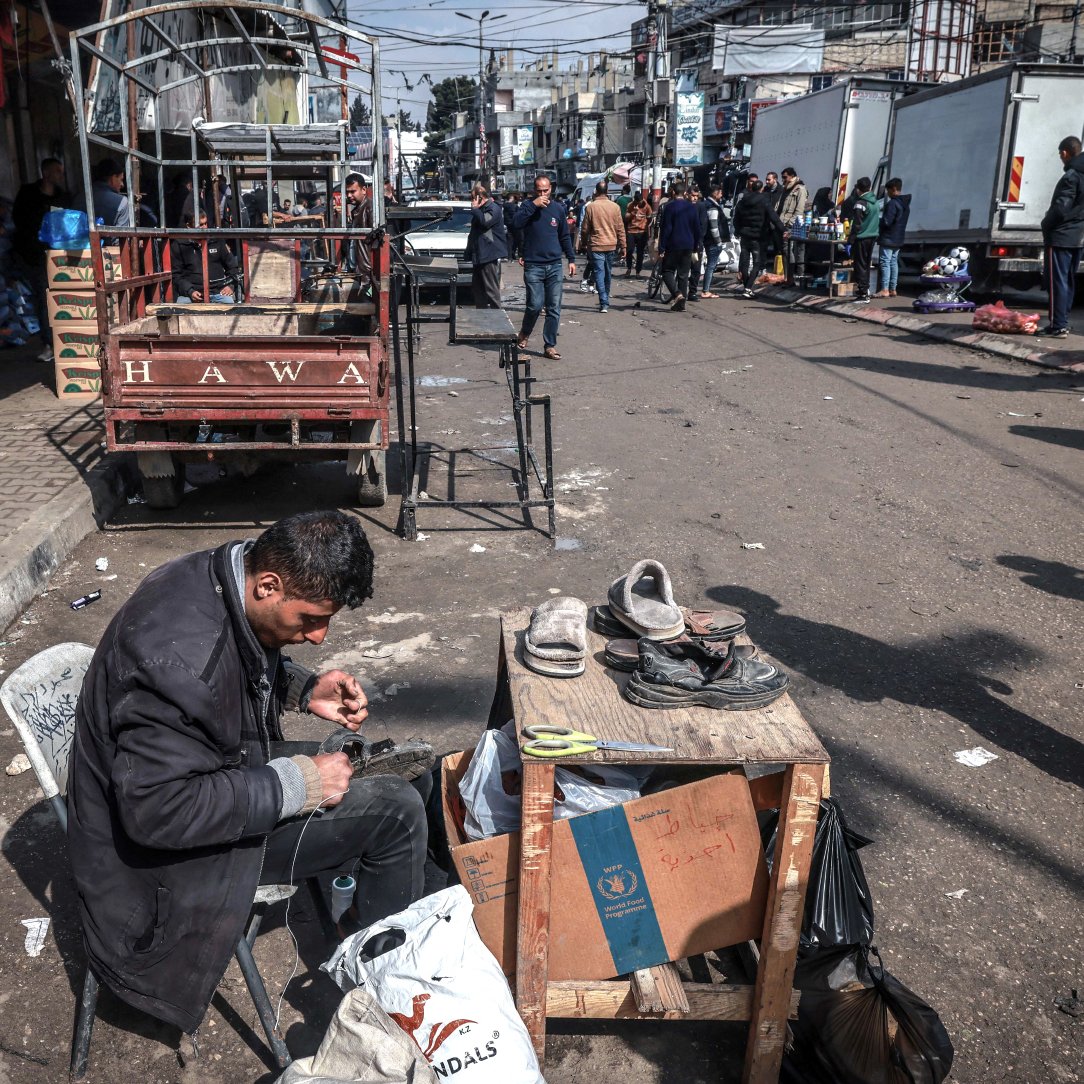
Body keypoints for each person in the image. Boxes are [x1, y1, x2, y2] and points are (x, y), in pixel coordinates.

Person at [66, 511, 430, 1036]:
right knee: (397, 813)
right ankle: (387, 995)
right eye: (310, 619)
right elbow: (157, 813)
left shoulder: (228, 570)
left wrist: (300, 687)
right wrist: (299, 784)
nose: (320, 636)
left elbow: (234, 658)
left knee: (390, 767)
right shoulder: (176, 662)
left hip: (204, 775)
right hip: (158, 864)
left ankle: (379, 924)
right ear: (269, 586)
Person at [11, 157, 69, 362]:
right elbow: (18, 220)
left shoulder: (62, 197)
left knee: (61, 297)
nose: (61, 175)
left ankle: (65, 341)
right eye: (57, 171)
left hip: (58, 255)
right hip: (34, 256)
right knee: (44, 299)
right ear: (46, 173)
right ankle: (49, 343)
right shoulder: (28, 194)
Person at [514, 174, 576, 359]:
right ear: (535, 190)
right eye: (539, 191)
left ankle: (550, 345)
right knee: (534, 305)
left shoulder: (558, 209)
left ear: (551, 189)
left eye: (546, 190)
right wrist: (534, 205)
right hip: (533, 265)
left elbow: (564, 235)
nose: (543, 194)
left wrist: (571, 259)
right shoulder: (527, 206)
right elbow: (516, 223)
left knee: (553, 307)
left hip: (554, 265)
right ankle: (525, 332)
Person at [1039, 135, 1084, 338]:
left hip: (1060, 237)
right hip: (1078, 237)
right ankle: (1062, 322)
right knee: (1068, 281)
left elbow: (1061, 207)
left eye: (1060, 154)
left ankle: (1057, 326)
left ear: (1065, 153)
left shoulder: (1071, 176)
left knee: (1056, 282)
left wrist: (1046, 223)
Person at [171, 211, 241, 303]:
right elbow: (176, 275)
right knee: (180, 306)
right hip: (191, 294)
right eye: (200, 225)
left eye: (205, 223)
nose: (204, 227)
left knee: (229, 304)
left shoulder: (217, 241)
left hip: (218, 292)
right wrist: (190, 291)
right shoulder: (179, 245)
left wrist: (230, 286)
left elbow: (233, 267)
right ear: (188, 226)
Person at [577, 180, 625, 313]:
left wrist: (583, 243)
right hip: (611, 245)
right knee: (608, 273)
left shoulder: (591, 207)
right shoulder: (615, 207)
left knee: (599, 272)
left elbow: (585, 229)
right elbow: (620, 228)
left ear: (596, 191)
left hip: (596, 245)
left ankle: (603, 302)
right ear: (607, 191)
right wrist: (624, 246)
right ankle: (605, 299)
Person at [732, 178, 783, 299]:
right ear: (761, 189)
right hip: (758, 236)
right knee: (757, 262)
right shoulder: (764, 200)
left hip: (745, 235)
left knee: (744, 262)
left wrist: (738, 231)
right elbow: (773, 217)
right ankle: (748, 288)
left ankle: (746, 287)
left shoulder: (742, 201)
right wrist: (783, 230)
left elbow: (736, 219)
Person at [657, 180, 701, 312]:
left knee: (667, 271)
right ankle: (681, 304)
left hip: (673, 245)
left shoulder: (669, 207)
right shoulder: (692, 207)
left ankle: (677, 295)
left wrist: (661, 247)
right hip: (688, 245)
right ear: (685, 193)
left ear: (673, 192)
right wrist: (695, 246)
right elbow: (697, 229)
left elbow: (666, 229)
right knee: (683, 274)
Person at [466, 183, 508, 308]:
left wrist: (475, 209)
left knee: (491, 289)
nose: (472, 201)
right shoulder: (482, 210)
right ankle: (482, 313)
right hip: (479, 255)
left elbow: (485, 222)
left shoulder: (493, 208)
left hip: (488, 254)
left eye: (473, 198)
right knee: (478, 289)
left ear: (480, 197)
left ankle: (497, 313)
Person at [72, 156, 133, 229]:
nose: (122, 184)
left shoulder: (78, 198)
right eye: (121, 179)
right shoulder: (122, 202)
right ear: (113, 178)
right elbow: (122, 235)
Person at [875, 177, 911, 298]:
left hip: (888, 237)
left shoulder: (892, 204)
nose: (887, 193)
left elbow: (887, 222)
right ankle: (893, 289)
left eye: (888, 190)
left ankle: (884, 289)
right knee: (893, 262)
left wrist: (878, 221)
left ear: (893, 189)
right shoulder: (905, 204)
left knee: (885, 262)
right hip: (899, 238)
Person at [847, 176, 880, 303]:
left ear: (858, 189)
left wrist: (850, 241)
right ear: (870, 187)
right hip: (872, 237)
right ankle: (866, 289)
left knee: (859, 265)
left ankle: (863, 293)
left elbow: (856, 224)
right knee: (866, 265)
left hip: (861, 238)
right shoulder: (875, 202)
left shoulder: (860, 204)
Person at [778, 167, 809, 286]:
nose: (783, 180)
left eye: (785, 177)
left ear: (792, 176)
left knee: (791, 250)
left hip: (794, 224)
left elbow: (799, 210)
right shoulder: (786, 189)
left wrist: (789, 224)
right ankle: (788, 277)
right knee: (785, 250)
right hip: (783, 223)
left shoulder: (800, 189)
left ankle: (793, 277)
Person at [700, 184, 730, 298]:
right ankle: (706, 290)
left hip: (707, 239)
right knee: (711, 265)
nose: (721, 195)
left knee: (710, 265)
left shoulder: (705, 204)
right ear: (715, 193)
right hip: (712, 241)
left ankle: (705, 289)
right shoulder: (712, 207)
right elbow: (714, 227)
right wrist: (718, 242)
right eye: (720, 193)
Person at [624, 190, 651, 277]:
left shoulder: (646, 206)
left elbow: (650, 218)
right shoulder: (630, 205)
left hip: (642, 231)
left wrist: (647, 230)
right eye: (638, 202)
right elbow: (626, 218)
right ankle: (629, 268)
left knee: (640, 252)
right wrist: (633, 213)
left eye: (641, 202)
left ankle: (638, 271)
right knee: (629, 251)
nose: (640, 204)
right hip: (631, 231)